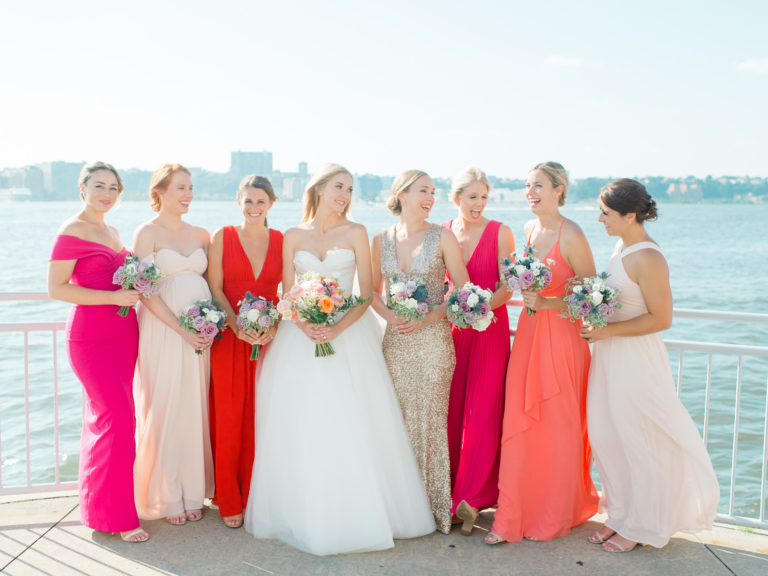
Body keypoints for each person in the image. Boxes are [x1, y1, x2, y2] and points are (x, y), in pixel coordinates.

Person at [244, 163, 435, 555]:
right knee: (304, 424)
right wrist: (304, 324)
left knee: (353, 421)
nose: (345, 195)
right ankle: (305, 512)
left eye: (349, 189)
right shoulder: (292, 235)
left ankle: (361, 512)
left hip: (349, 337)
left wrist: (335, 329)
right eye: (338, 186)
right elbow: (286, 293)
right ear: (318, 188)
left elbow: (367, 293)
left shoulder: (357, 232)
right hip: (300, 340)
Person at [583, 179, 719, 552]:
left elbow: (662, 319)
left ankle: (643, 526)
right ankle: (621, 514)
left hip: (635, 360)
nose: (600, 219)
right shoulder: (620, 245)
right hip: (609, 355)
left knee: (637, 439)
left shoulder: (648, 257)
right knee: (607, 436)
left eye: (606, 213)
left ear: (630, 216)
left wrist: (607, 330)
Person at [487, 161, 599, 544]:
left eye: (538, 185)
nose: (530, 192)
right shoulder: (529, 230)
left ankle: (553, 513)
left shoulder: (573, 234)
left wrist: (547, 304)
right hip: (531, 336)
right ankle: (514, 514)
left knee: (558, 425)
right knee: (522, 420)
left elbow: (591, 297)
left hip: (562, 340)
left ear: (558, 189)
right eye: (527, 186)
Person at [48, 161, 148, 543]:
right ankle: (120, 518)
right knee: (117, 420)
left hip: (124, 334)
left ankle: (99, 509)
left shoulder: (113, 230)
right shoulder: (72, 229)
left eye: (113, 188)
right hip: (91, 338)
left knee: (109, 421)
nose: (106, 193)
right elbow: (57, 289)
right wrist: (112, 296)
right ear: (82, 188)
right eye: (99, 186)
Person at [371, 169, 470, 534]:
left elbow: (464, 291)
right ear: (402, 194)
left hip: (434, 343)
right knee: (395, 421)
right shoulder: (380, 239)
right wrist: (391, 317)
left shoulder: (442, 236)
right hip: (395, 343)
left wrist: (431, 316)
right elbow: (371, 292)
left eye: (433, 191)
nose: (430, 197)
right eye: (423, 190)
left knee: (429, 422)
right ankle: (398, 509)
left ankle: (432, 507)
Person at [132, 164, 214, 525]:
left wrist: (209, 325)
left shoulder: (201, 234)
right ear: (160, 191)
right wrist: (180, 329)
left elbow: (213, 283)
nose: (188, 194)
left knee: (192, 407)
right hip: (163, 331)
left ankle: (192, 490)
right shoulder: (146, 232)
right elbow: (144, 291)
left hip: (199, 335)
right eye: (181, 187)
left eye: (191, 188)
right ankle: (166, 495)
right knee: (164, 405)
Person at [442, 168, 515, 535]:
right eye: (472, 197)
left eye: (484, 197)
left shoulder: (501, 232)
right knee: (453, 410)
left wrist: (480, 311)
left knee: (482, 411)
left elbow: (508, 287)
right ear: (456, 199)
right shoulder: (442, 232)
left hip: (490, 331)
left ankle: (470, 499)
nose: (479, 204)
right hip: (453, 332)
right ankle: (450, 493)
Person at [208, 175, 282, 529]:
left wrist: (271, 327)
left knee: (262, 416)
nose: (254, 208)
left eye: (260, 202)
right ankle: (228, 498)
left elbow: (289, 290)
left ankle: (258, 493)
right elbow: (215, 288)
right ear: (239, 201)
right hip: (229, 336)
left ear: (271, 204)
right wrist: (238, 326)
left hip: (268, 339)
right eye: (248, 201)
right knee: (229, 415)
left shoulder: (282, 240)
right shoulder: (222, 236)